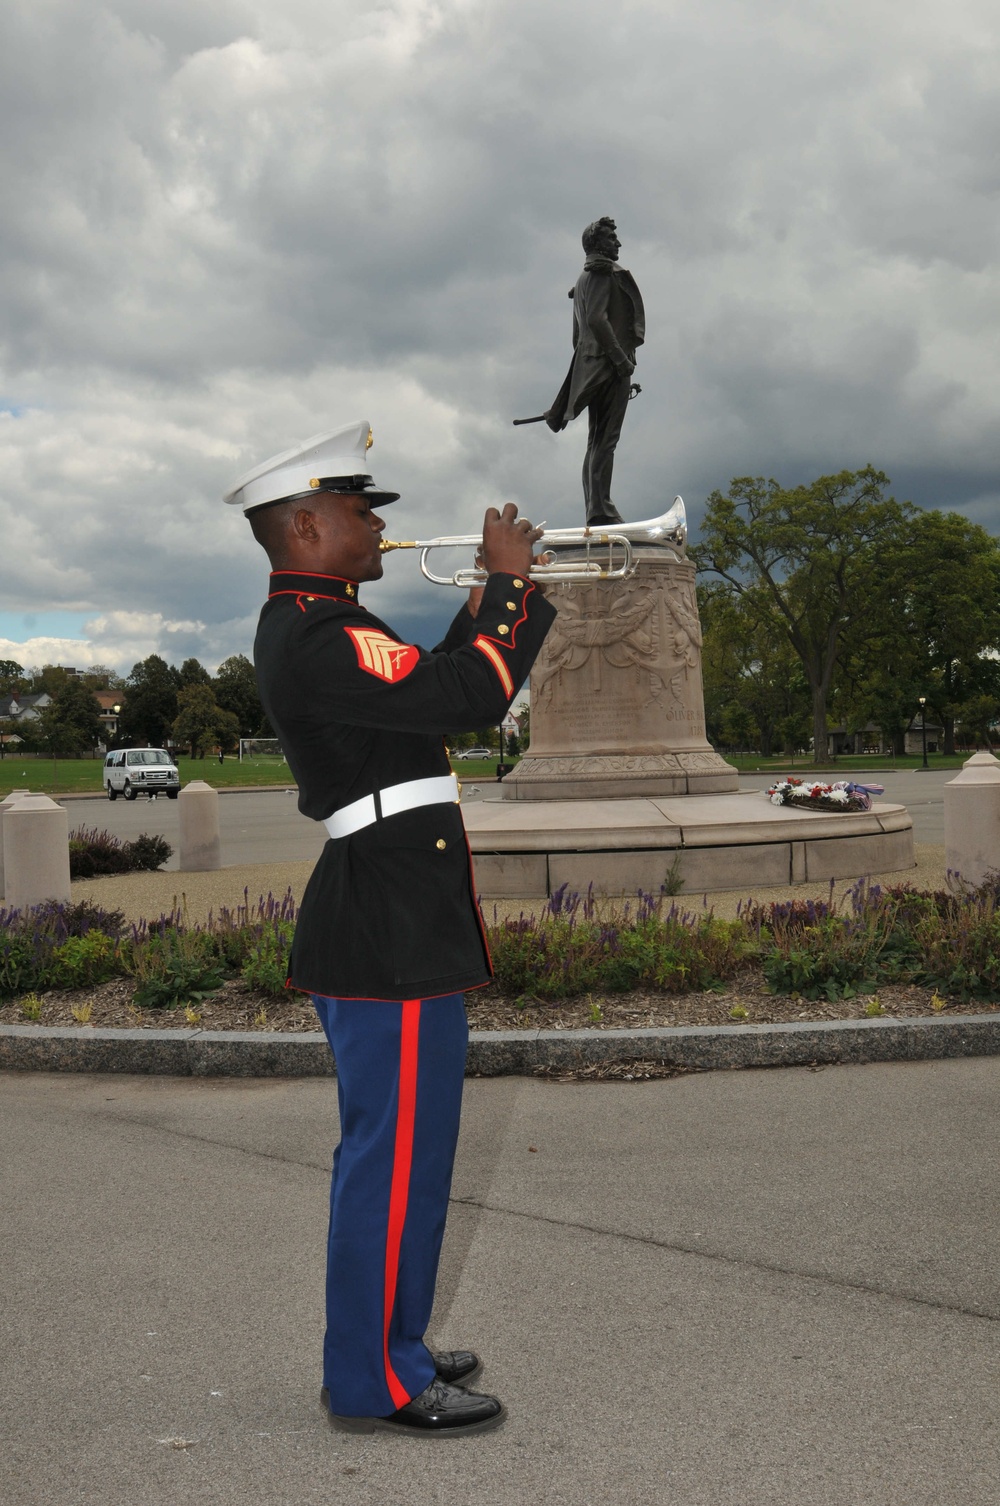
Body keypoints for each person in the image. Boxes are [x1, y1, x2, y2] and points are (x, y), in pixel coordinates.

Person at [224, 419, 556, 1438]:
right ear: (310, 523)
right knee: (394, 1160)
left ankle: (391, 1341)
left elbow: (427, 704)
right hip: (384, 926)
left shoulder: (327, 627)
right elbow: (470, 697)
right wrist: (505, 588)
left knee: (410, 1156)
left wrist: (480, 610)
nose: (377, 528)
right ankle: (375, 1377)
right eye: (364, 512)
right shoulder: (319, 633)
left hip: (391, 915)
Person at [544, 216, 645, 526]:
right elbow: (596, 322)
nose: (618, 243)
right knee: (606, 441)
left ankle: (597, 507)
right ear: (598, 244)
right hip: (610, 364)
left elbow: (577, 336)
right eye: (612, 239)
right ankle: (601, 509)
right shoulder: (601, 274)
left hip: (594, 364)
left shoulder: (582, 280)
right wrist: (619, 361)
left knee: (597, 441)